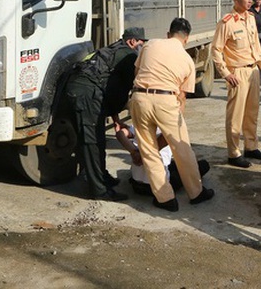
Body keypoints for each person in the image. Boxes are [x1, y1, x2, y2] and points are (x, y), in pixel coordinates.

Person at [129, 17, 214, 212]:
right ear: (186, 38)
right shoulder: (187, 60)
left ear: (169, 34)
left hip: (140, 97)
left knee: (148, 150)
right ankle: (196, 192)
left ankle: (166, 199)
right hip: (167, 100)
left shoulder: (150, 44)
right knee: (182, 148)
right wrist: (177, 119)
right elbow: (182, 96)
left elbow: (137, 72)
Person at [64, 27, 147, 201]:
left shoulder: (112, 49)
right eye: (141, 43)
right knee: (92, 141)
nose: (142, 47)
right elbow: (124, 92)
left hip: (82, 91)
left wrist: (115, 118)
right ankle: (99, 190)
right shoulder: (129, 55)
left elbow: (111, 88)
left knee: (95, 138)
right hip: (86, 94)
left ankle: (101, 177)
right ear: (132, 42)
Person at [212, 0, 261, 168]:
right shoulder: (226, 23)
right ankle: (234, 152)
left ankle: (251, 146)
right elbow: (216, 50)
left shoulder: (251, 18)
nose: (250, 1)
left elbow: (256, 44)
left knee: (252, 112)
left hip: (253, 70)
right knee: (235, 115)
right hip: (237, 72)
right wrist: (226, 73)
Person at [115, 122, 209, 195]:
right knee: (202, 165)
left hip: (136, 185)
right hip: (161, 187)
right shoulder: (167, 128)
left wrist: (134, 152)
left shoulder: (139, 124)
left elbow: (120, 134)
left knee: (172, 165)